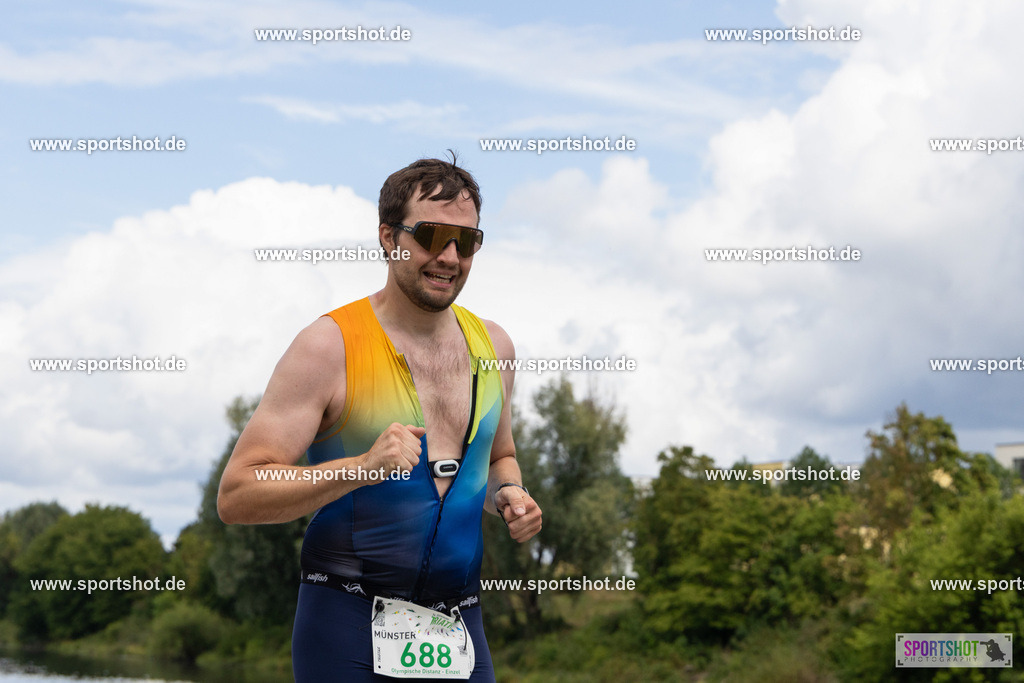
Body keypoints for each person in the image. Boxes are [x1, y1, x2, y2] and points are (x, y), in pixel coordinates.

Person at [217, 155, 542, 682]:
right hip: (346, 621)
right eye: (433, 236)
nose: (450, 256)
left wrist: (508, 494)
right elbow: (237, 494)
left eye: (468, 241)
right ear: (389, 237)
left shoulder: (494, 346)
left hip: (458, 624)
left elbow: (498, 456)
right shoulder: (328, 346)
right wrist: (362, 467)